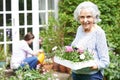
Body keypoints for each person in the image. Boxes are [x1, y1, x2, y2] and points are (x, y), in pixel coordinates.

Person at [71, 1, 110, 80]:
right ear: (79, 18)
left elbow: (105, 61)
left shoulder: (99, 33)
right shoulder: (80, 29)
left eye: (88, 16)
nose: (85, 20)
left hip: (91, 76)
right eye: (82, 17)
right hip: (76, 74)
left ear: (94, 17)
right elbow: (76, 48)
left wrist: (94, 66)